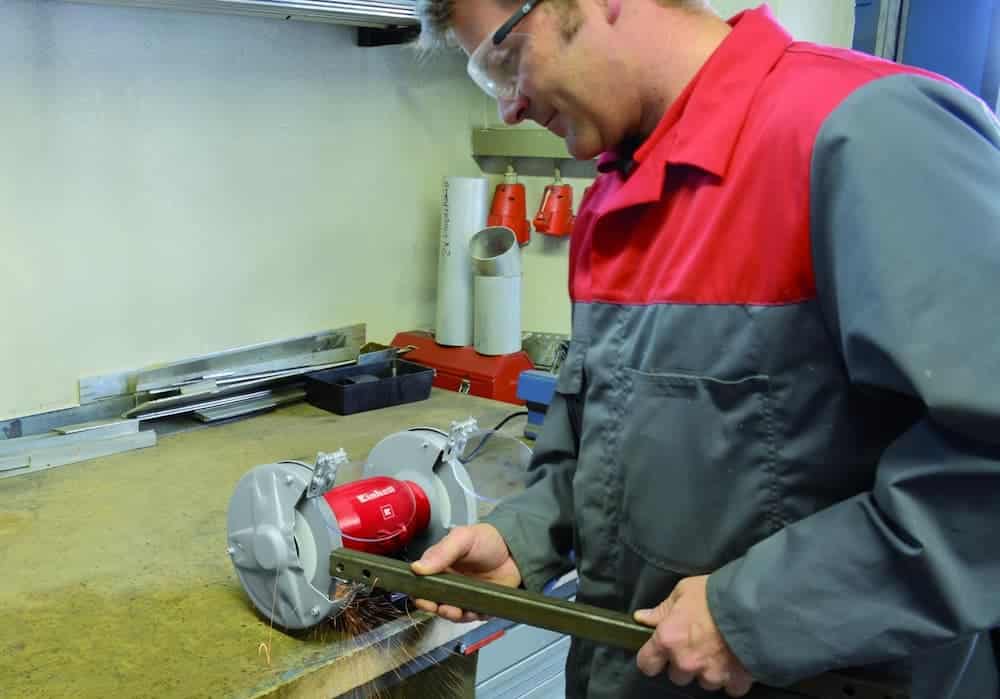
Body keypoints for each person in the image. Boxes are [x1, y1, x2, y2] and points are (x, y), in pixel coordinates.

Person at [411, 1, 1000, 697]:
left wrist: (759, 613)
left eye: (506, 59)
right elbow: (603, 444)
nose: (509, 108)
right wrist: (524, 535)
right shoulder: (610, 199)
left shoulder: (868, 135)